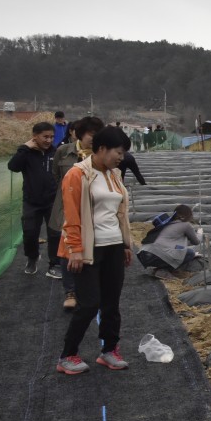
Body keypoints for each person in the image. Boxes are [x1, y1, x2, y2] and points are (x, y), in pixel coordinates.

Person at [56, 126, 133, 375]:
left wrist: (125, 245)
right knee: (89, 304)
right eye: (118, 152)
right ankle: (67, 355)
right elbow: (70, 216)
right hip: (89, 248)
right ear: (102, 149)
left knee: (111, 302)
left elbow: (120, 214)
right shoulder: (78, 174)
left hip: (113, 246)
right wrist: (75, 250)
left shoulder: (115, 175)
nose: (121, 158)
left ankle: (109, 350)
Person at [50, 116, 105, 310]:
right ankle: (70, 291)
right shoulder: (64, 152)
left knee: (93, 243)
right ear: (80, 134)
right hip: (68, 205)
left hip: (95, 207)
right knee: (68, 247)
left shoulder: (101, 155)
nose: (94, 138)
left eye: (97, 134)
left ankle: (91, 286)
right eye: (91, 134)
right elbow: (56, 175)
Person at [7, 122, 60, 276]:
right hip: (31, 201)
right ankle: (32, 257)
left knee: (55, 233)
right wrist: (24, 147)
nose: (49, 140)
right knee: (30, 232)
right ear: (35, 137)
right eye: (45, 137)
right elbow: (13, 166)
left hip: (52, 200)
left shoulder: (55, 152)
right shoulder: (26, 153)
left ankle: (54, 263)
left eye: (51, 137)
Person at [137, 205, 203, 278]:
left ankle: (160, 269)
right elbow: (196, 242)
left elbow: (177, 244)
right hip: (157, 255)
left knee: (185, 252)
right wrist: (200, 233)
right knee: (190, 253)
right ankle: (163, 270)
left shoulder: (168, 223)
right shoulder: (186, 225)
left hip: (144, 254)